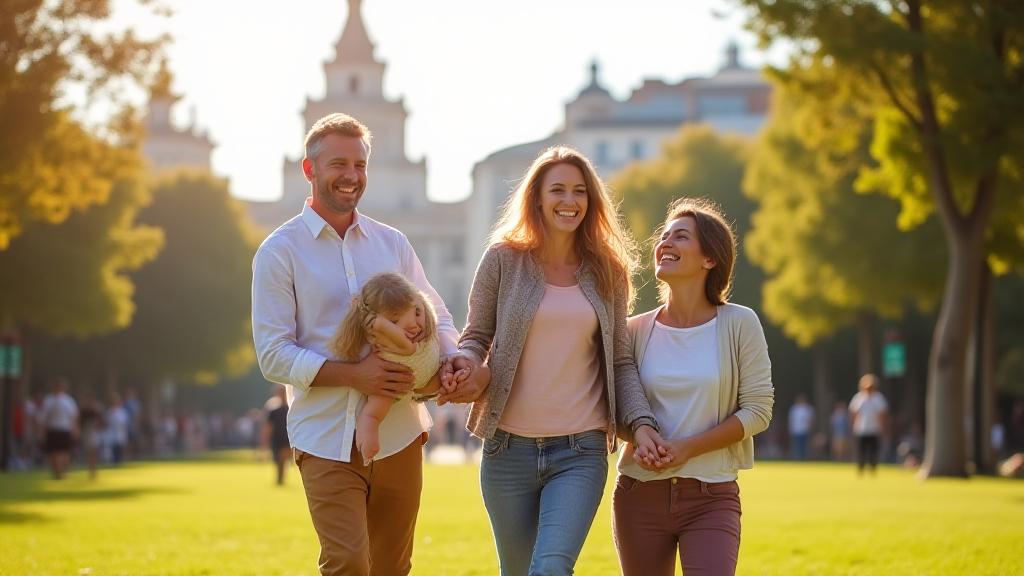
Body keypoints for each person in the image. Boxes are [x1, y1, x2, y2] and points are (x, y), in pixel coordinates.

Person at [251, 112, 488, 576]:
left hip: (400, 433)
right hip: (323, 436)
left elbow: (436, 314)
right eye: (339, 164)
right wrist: (355, 375)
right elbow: (273, 353)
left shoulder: (392, 242)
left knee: (393, 568)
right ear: (309, 170)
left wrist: (454, 355)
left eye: (359, 165)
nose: (351, 176)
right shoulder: (279, 252)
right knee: (348, 564)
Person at [456, 145, 665, 575]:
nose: (569, 201)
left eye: (579, 192)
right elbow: (476, 336)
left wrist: (641, 424)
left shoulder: (608, 270)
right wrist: (463, 362)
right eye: (558, 190)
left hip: (580, 449)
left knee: (551, 567)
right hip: (506, 448)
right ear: (537, 198)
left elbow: (620, 361)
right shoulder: (502, 259)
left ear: (591, 201)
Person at [613, 197, 774, 576]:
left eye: (680, 236)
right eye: (663, 235)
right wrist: (640, 432)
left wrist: (688, 448)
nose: (665, 243)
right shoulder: (634, 330)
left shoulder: (739, 323)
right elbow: (615, 405)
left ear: (710, 259)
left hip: (711, 496)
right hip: (639, 493)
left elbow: (758, 409)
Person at [330, 272, 467, 464]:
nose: (413, 325)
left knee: (447, 379)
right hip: (391, 380)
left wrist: (448, 365)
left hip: (425, 378)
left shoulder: (423, 324)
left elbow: (433, 314)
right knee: (376, 409)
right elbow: (401, 341)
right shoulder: (401, 342)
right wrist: (375, 322)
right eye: (394, 322)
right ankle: (367, 431)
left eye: (417, 312)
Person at [849, 373, 888, 475]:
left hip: (874, 428)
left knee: (873, 450)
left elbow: (882, 413)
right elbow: (854, 413)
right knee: (861, 450)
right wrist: (853, 425)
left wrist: (882, 426)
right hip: (861, 428)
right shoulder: (858, 398)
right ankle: (860, 468)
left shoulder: (878, 398)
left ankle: (872, 468)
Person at [40, 378, 79, 480]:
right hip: (53, 429)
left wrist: (75, 430)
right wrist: (43, 432)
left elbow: (73, 417)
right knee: (54, 452)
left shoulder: (68, 401)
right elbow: (44, 418)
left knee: (64, 452)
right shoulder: (49, 400)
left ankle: (61, 471)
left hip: (64, 429)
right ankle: (57, 473)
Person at [261, 385, 291, 485]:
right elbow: (268, 426)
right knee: (277, 459)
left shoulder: (290, 409)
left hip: (287, 438)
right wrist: (265, 440)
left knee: (284, 459)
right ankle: (279, 478)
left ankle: (281, 478)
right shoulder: (274, 410)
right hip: (277, 439)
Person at [79, 394, 105, 479]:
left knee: (94, 452)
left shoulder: (97, 411)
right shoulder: (84, 412)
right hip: (87, 432)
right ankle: (91, 469)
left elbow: (102, 423)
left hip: (95, 433)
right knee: (89, 452)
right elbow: (80, 423)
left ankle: (94, 469)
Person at [788, 393, 815, 460]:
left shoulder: (808, 408)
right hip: (796, 430)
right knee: (797, 446)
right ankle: (797, 459)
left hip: (805, 430)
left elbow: (811, 420)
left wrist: (810, 428)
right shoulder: (794, 409)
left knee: (805, 446)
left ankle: (805, 458)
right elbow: (791, 420)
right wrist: (791, 429)